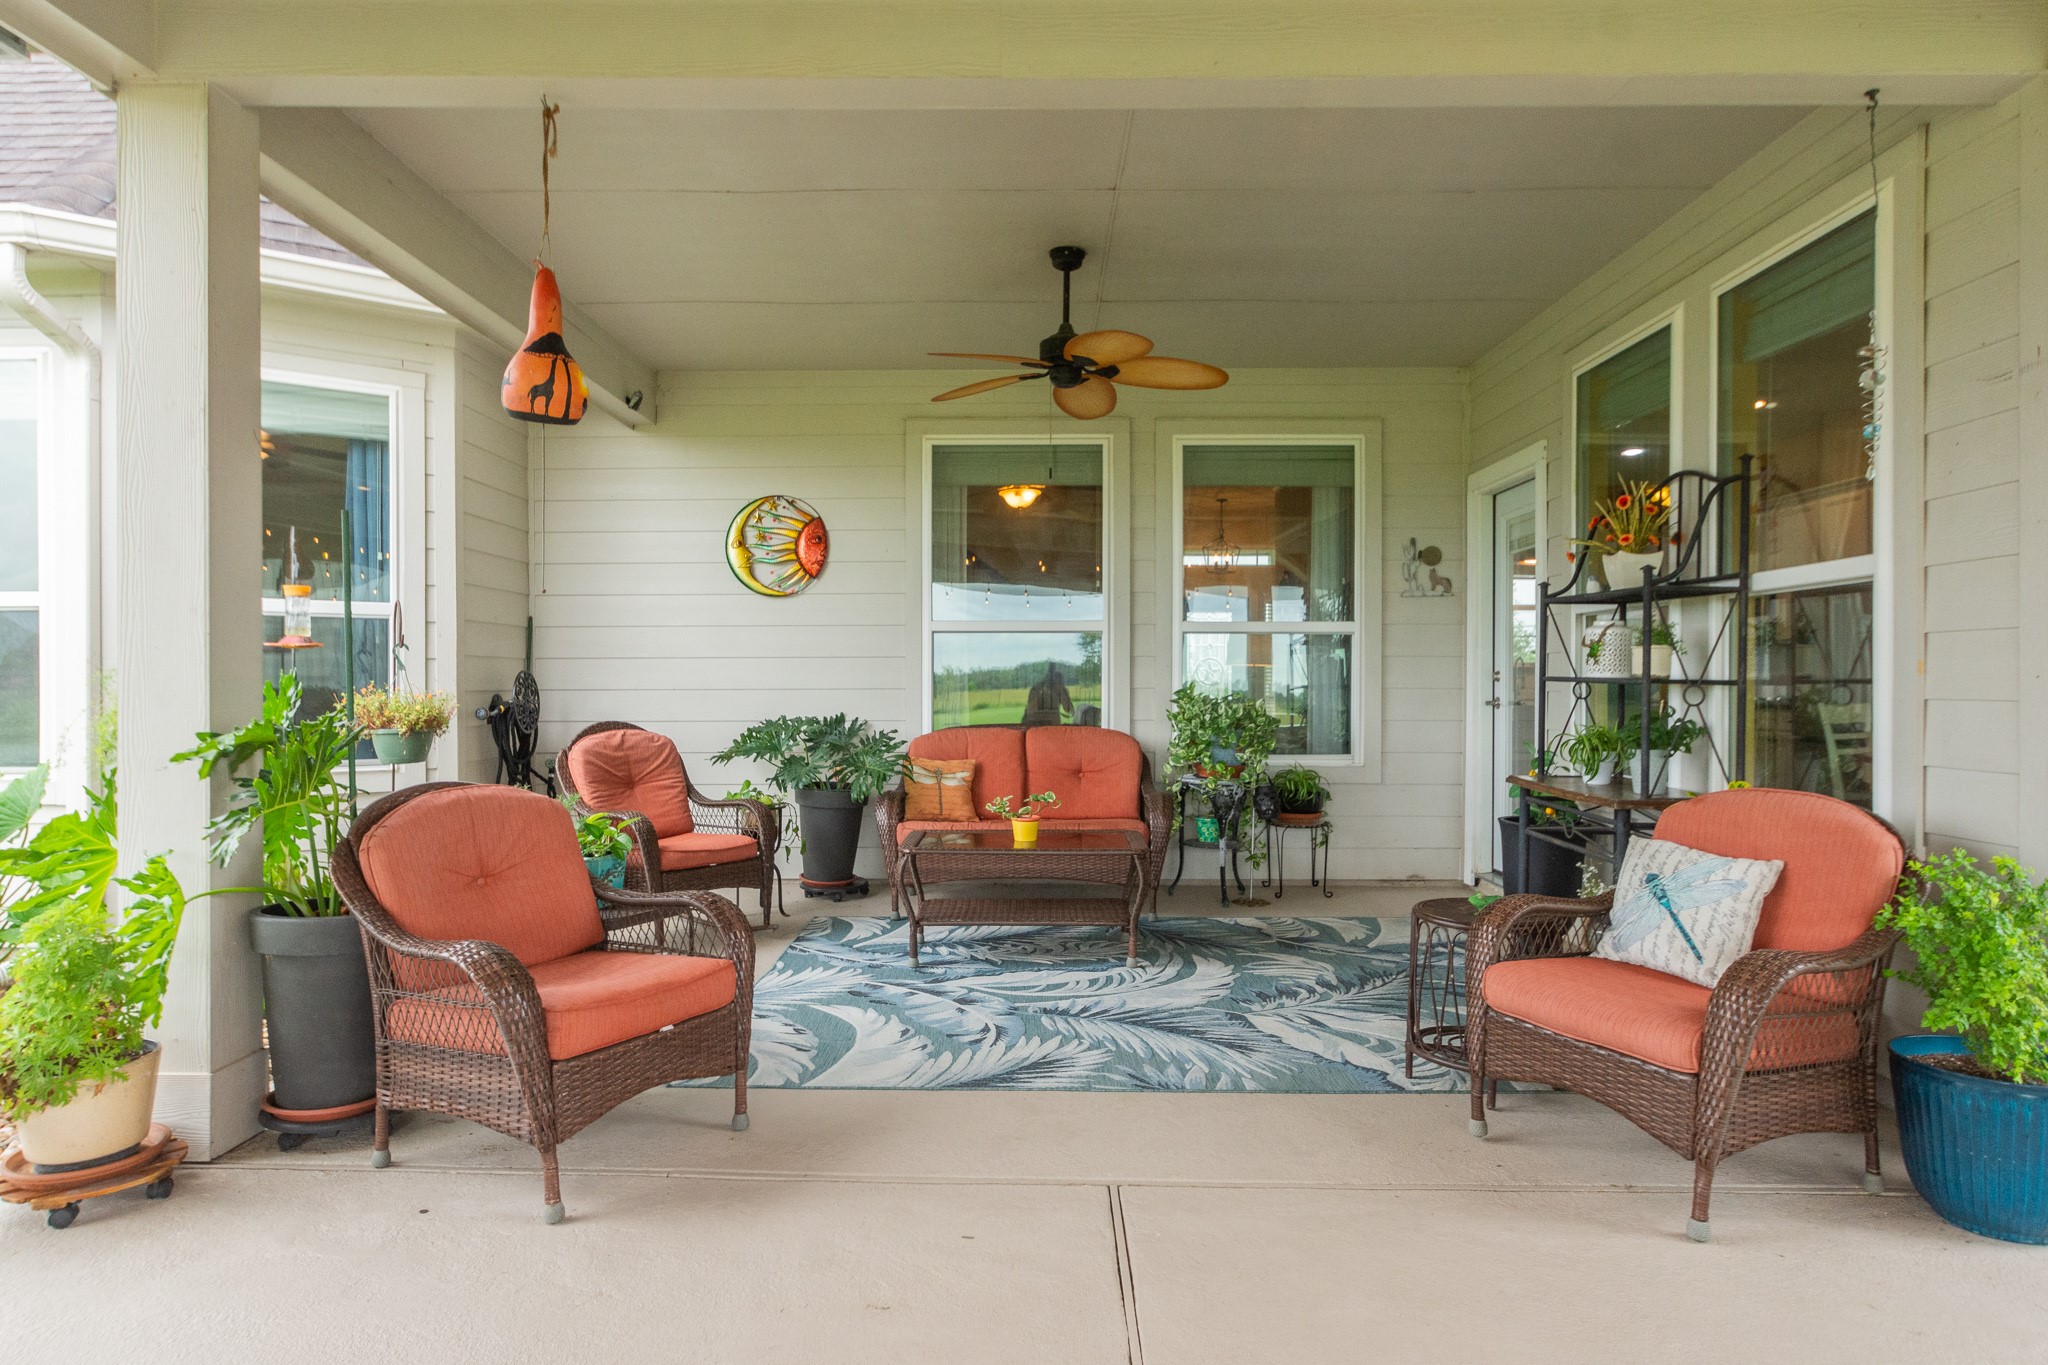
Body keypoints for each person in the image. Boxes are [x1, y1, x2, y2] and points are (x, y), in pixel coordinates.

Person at [1021, 663, 1073, 728]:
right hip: (1036, 727)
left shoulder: (1060, 689)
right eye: (1050, 674)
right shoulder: (1037, 688)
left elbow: (1069, 710)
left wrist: (1061, 693)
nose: (1052, 679)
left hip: (1053, 728)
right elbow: (1030, 712)